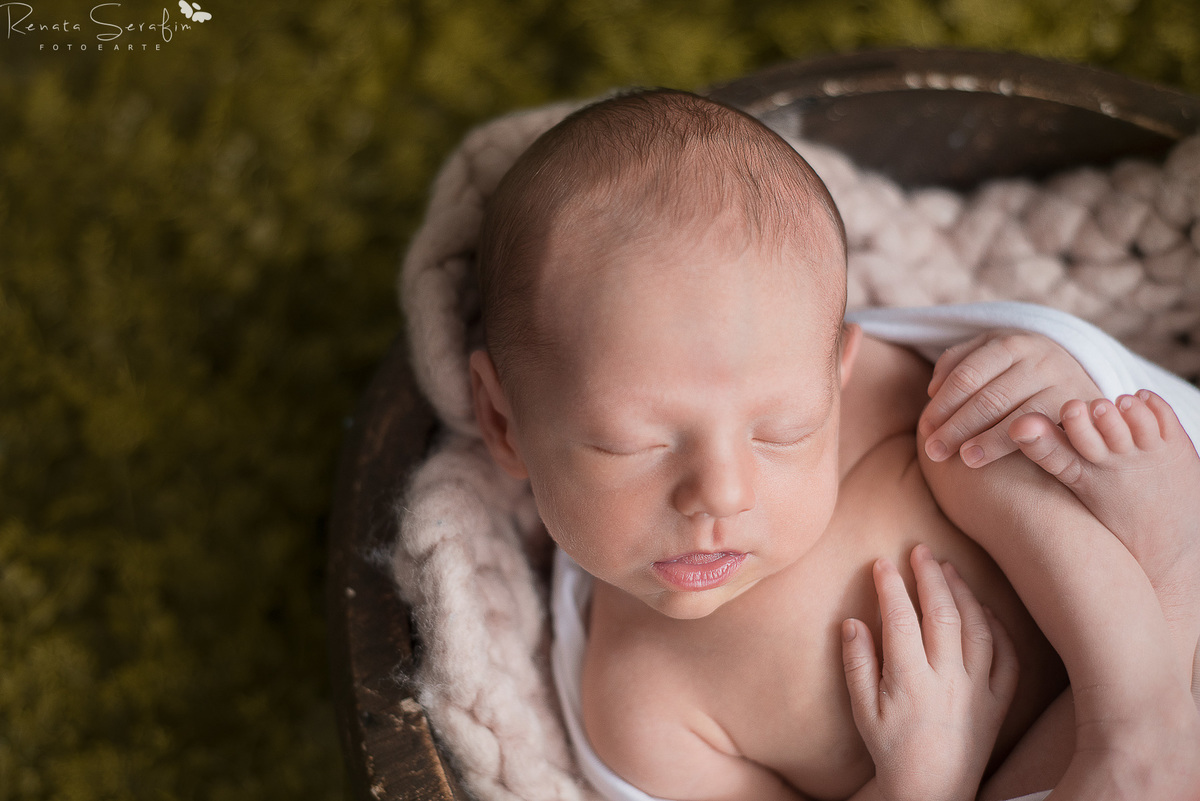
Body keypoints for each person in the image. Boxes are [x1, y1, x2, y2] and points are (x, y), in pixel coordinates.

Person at [466, 88, 1200, 801]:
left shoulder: (876, 395)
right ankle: (1172, 604)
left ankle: (1147, 681)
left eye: (782, 429)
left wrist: (1058, 367)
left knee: (977, 423)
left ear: (836, 374)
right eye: (633, 444)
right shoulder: (639, 709)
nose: (721, 491)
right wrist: (924, 775)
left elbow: (1032, 402)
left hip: (1133, 682)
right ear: (504, 423)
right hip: (1038, 774)